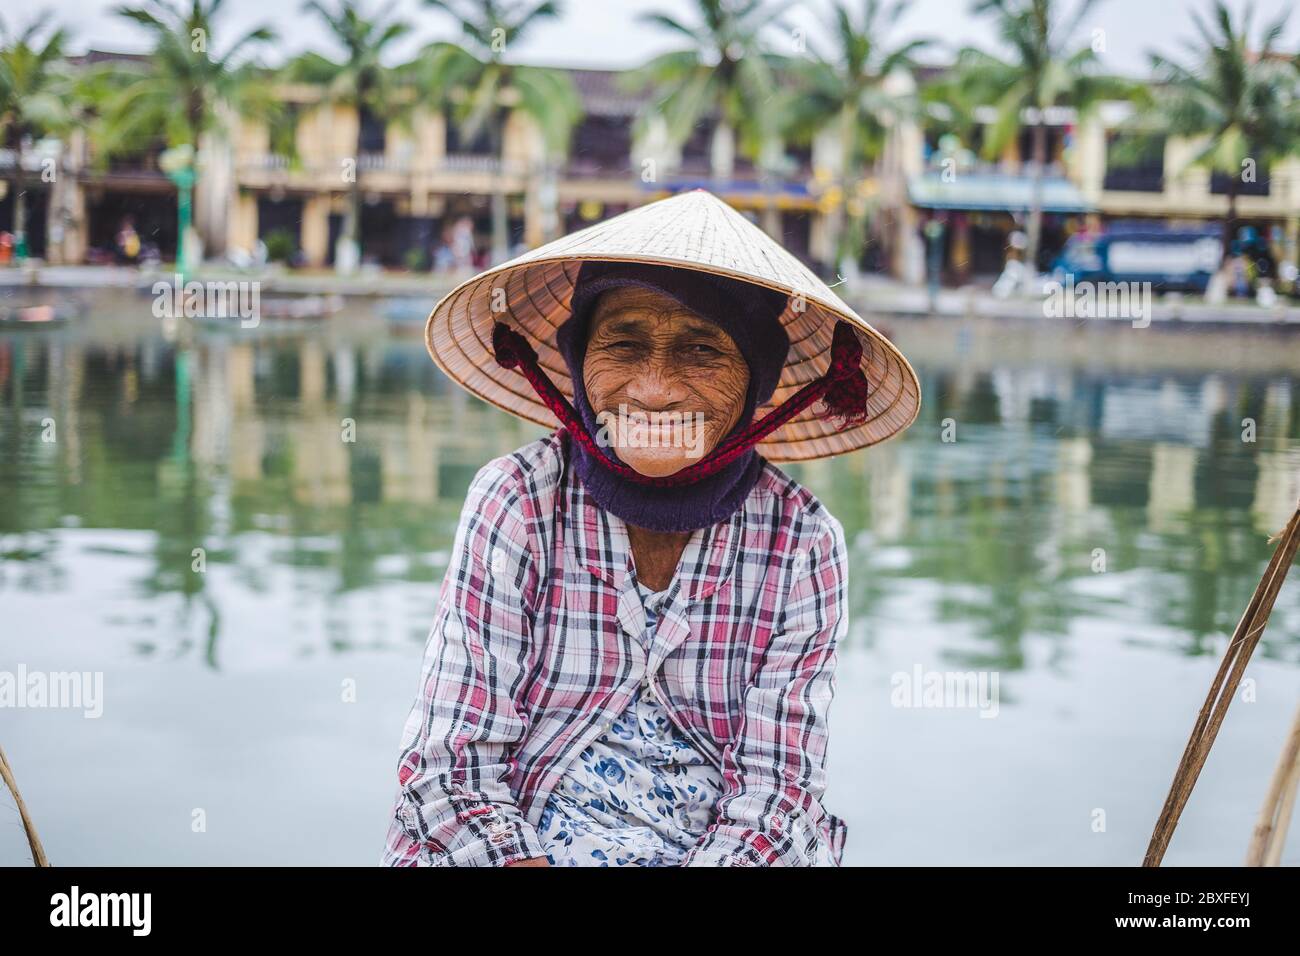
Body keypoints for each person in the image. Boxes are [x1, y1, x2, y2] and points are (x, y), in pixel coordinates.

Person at [381, 189, 921, 867]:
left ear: (756, 383)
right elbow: (449, 769)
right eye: (624, 344)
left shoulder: (802, 543)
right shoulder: (517, 501)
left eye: (702, 350)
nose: (655, 388)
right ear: (578, 366)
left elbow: (778, 798)